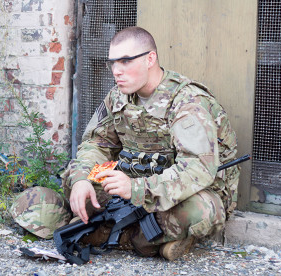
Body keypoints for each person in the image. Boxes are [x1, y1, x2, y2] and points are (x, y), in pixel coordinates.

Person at [61, 26, 240, 261]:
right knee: (75, 182)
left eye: (125, 61)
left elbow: (197, 169)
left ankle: (114, 234)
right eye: (112, 63)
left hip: (184, 190)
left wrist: (137, 189)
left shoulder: (188, 102)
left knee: (201, 210)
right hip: (134, 184)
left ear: (150, 59)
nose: (116, 71)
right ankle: (146, 239)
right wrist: (81, 178)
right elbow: (96, 143)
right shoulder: (117, 96)